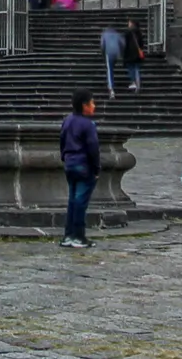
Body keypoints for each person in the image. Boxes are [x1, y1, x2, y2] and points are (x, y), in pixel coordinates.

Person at [59, 91, 100, 249]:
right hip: (84, 165)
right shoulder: (88, 124)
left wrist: (65, 157)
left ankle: (68, 235)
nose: (94, 106)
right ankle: (79, 236)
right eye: (92, 103)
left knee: (72, 200)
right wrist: (96, 168)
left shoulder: (67, 120)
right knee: (81, 202)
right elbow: (93, 148)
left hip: (70, 163)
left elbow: (62, 141)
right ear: (85, 105)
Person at [101, 22, 126, 98]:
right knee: (111, 67)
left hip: (108, 52)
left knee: (109, 69)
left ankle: (111, 88)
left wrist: (103, 53)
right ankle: (111, 83)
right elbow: (123, 44)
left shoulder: (105, 34)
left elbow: (102, 45)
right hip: (116, 53)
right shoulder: (118, 35)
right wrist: (121, 53)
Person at [120, 21, 145, 94]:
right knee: (136, 68)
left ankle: (133, 82)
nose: (128, 24)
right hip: (137, 54)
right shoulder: (139, 32)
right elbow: (142, 44)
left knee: (131, 68)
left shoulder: (127, 33)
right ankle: (138, 84)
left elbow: (124, 44)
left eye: (129, 23)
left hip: (130, 54)